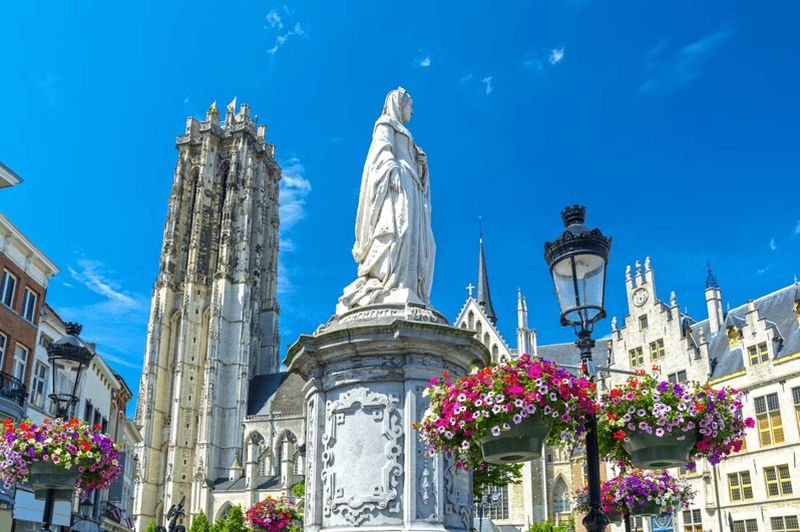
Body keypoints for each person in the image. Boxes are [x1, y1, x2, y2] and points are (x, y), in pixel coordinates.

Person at [338, 87, 436, 312]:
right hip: (397, 185)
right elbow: (381, 152)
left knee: (420, 240)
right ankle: (391, 281)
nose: (412, 110)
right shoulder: (385, 123)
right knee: (399, 229)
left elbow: (415, 168)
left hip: (411, 186)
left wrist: (421, 166)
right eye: (410, 106)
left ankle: (407, 283)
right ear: (400, 104)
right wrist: (392, 169)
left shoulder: (406, 134)